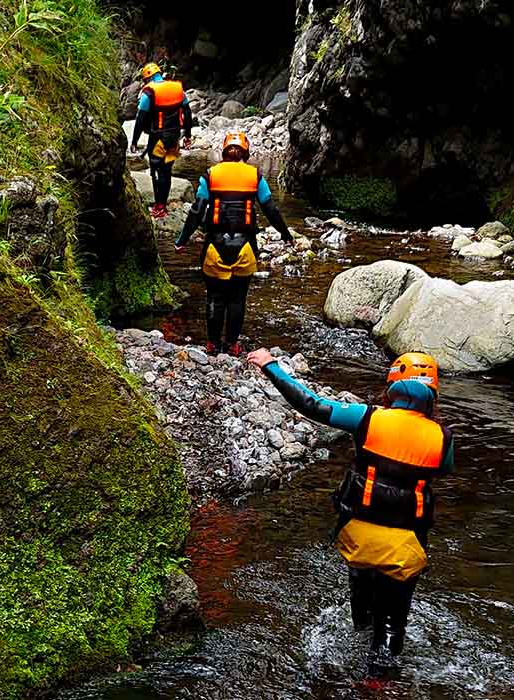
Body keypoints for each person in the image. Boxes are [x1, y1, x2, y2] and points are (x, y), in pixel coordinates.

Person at [246, 349, 454, 676]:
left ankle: (356, 638)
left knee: (364, 601)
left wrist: (271, 366)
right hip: (406, 545)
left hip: (358, 534)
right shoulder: (443, 438)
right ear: (433, 393)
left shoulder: (367, 418)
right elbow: (442, 470)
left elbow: (310, 404)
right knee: (391, 628)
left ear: (393, 386)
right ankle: (379, 682)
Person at [174, 132, 291, 356]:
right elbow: (271, 210)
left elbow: (197, 211)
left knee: (215, 297)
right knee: (237, 298)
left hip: (214, 247)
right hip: (245, 248)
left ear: (224, 152)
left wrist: (182, 240)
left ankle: (212, 344)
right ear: (245, 153)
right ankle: (232, 344)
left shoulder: (210, 175)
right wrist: (285, 234)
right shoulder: (255, 176)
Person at [130, 62, 193, 219]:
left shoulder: (149, 92)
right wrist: (188, 135)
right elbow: (188, 112)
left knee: (156, 172)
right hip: (174, 138)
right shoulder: (177, 89)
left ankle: (159, 207)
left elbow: (140, 118)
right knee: (166, 171)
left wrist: (134, 141)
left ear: (147, 78)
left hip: (158, 139)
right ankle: (162, 204)